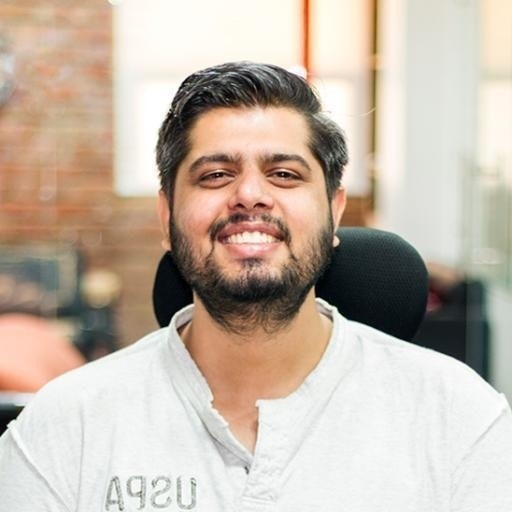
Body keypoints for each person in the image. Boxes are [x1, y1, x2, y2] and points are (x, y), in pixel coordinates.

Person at [0, 61, 511, 511]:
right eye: (215, 175)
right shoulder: (68, 425)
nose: (249, 194)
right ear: (167, 216)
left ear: (334, 212)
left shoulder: (456, 416)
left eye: (284, 174)